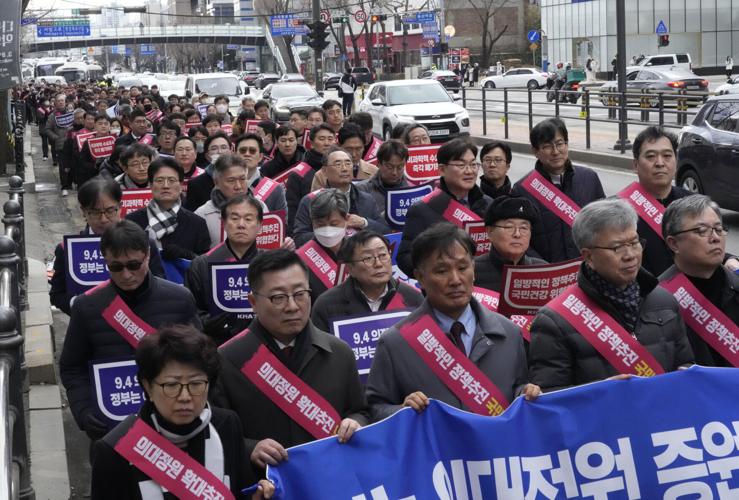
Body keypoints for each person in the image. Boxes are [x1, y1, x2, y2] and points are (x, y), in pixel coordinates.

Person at [211, 249, 368, 474]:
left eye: (300, 294)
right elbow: (215, 434)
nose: (293, 306)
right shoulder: (227, 359)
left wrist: (355, 423)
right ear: (253, 302)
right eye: (279, 297)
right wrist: (250, 449)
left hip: (331, 478)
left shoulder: (339, 352)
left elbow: (360, 410)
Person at [366, 223, 540, 421]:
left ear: (473, 270)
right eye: (442, 271)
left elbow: (517, 389)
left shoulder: (508, 333)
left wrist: (525, 393)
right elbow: (375, 408)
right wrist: (402, 411)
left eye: (463, 267)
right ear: (420, 278)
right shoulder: (396, 342)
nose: (456, 279)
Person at [90, 325, 274, 499]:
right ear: (148, 387)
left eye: (196, 384)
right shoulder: (114, 449)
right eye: (171, 385)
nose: (185, 396)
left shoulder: (226, 424)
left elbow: (241, 490)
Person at [528, 199, 694, 392]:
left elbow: (686, 364)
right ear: (588, 256)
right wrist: (602, 393)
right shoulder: (555, 320)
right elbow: (550, 396)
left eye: (634, 243)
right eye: (617, 248)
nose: (630, 255)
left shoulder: (663, 301)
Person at [59, 220, 201, 442]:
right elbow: (71, 367)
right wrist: (84, 411)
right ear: (105, 260)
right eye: (116, 267)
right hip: (111, 430)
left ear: (148, 256)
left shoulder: (180, 299)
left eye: (134, 265)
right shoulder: (87, 306)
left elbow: (200, 362)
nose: (126, 275)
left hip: (173, 424)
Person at [49, 177, 166, 315]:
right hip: (91, 327)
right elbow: (57, 295)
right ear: (84, 211)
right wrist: (79, 304)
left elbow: (160, 284)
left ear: (120, 206)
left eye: (110, 211)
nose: (103, 219)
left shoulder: (144, 244)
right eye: (95, 212)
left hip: (139, 323)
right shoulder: (67, 249)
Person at [511, 117, 605, 263]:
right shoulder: (522, 189)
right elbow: (519, 237)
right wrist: (543, 267)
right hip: (548, 272)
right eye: (547, 146)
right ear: (535, 151)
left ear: (566, 144)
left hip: (588, 268)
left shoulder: (589, 178)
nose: (555, 152)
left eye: (560, 144)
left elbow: (604, 226)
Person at [660, 195, 739, 367]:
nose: (715, 237)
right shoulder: (657, 302)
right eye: (701, 231)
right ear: (674, 244)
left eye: (719, 229)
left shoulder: (735, 285)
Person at [397, 138, 492, 277]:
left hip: (485, 288)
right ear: (442, 169)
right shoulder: (422, 209)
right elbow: (405, 258)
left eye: (473, 165)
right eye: (461, 165)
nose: (469, 171)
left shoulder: (489, 204)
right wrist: (438, 266)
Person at [186, 195, 264, 346]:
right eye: (234, 218)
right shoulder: (201, 264)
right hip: (214, 346)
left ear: (260, 225)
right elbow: (190, 313)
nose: (241, 225)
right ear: (223, 223)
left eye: (248, 219)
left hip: (262, 345)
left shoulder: (271, 264)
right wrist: (208, 322)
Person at [311, 230, 423, 332]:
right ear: (350, 269)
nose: (378, 264)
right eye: (368, 258)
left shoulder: (412, 298)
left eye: (383, 255)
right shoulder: (327, 305)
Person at [626, 126, 692, 276]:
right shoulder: (617, 210)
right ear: (636, 165)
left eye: (667, 156)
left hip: (691, 295)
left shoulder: (692, 203)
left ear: (676, 161)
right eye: (650, 156)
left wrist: (728, 259)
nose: (660, 163)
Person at [293, 148, 388, 246]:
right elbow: (299, 238)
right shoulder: (310, 200)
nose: (344, 169)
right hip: (325, 256)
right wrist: (329, 233)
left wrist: (363, 223)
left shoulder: (366, 199)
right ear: (325, 171)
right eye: (338, 164)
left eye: (348, 163)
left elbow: (385, 231)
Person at [126, 157, 210, 259]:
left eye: (171, 180)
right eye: (160, 180)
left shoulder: (197, 224)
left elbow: (205, 264)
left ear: (180, 186)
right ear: (151, 185)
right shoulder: (131, 222)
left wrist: (187, 255)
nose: (166, 186)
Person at [474, 196, 546, 292]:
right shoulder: (472, 270)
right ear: (490, 231)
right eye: (509, 227)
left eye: (524, 228)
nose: (517, 234)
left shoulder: (543, 270)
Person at [284, 124, 336, 235]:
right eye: (321, 139)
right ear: (311, 143)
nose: (327, 143)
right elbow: (292, 211)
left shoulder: (342, 168)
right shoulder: (299, 174)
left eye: (330, 139)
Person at [195, 154, 249, 248]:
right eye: (231, 180)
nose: (238, 186)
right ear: (216, 182)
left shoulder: (261, 207)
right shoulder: (202, 215)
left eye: (242, 179)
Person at [235, 133, 288, 215]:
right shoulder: (225, 186)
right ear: (234, 155)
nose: (247, 154)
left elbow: (282, 224)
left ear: (260, 157)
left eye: (252, 151)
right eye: (242, 150)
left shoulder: (276, 189)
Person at [311, 124, 377, 190]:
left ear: (364, 147)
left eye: (358, 149)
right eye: (349, 149)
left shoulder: (374, 172)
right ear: (339, 146)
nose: (354, 154)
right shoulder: (322, 174)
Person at [356, 140, 410, 219]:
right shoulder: (362, 190)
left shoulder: (412, 189)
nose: (394, 172)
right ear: (378, 163)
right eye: (389, 167)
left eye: (400, 167)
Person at [183, 132, 233, 211]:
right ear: (207, 156)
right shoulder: (196, 184)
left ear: (231, 151)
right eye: (214, 148)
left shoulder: (241, 178)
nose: (220, 151)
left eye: (224, 147)